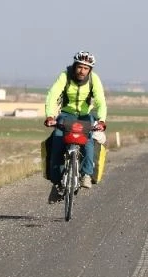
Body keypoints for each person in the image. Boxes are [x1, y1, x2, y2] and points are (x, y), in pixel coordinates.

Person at [44, 50, 107, 203]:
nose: (82, 71)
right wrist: (50, 116)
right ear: (74, 66)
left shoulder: (94, 79)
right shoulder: (65, 76)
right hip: (66, 115)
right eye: (80, 67)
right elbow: (53, 95)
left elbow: (100, 101)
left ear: (90, 70)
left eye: (86, 68)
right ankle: (57, 183)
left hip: (85, 116)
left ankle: (86, 174)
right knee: (58, 141)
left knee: (88, 140)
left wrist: (101, 120)